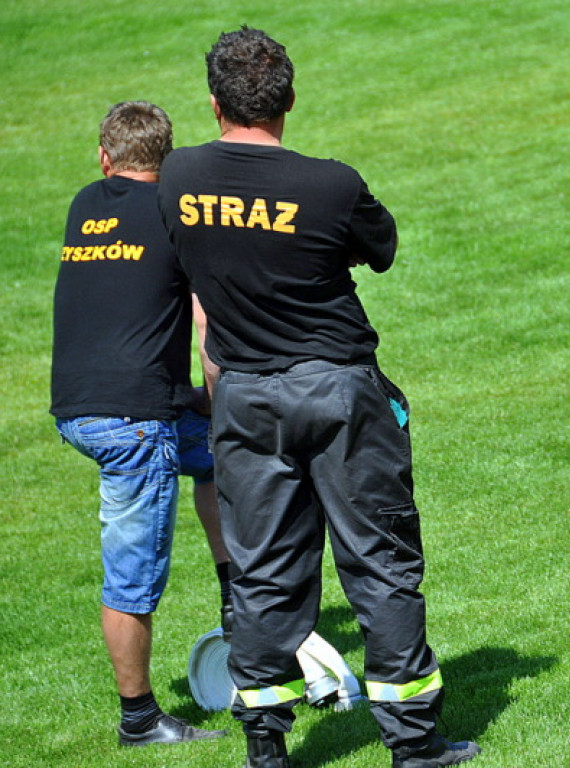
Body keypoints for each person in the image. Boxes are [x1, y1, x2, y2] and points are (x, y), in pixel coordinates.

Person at [157, 27, 481, 768]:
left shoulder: (179, 177)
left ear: (214, 103)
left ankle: (266, 750)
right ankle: (413, 743)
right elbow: (383, 248)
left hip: (243, 398)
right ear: (290, 99)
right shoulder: (330, 184)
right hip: (340, 392)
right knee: (381, 560)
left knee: (262, 571)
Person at [50, 101, 228, 748]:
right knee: (133, 572)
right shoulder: (171, 215)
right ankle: (140, 720)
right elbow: (206, 323)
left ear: (105, 158)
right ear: (168, 160)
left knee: (209, 454)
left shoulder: (83, 204)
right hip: (131, 422)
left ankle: (237, 601)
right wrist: (217, 398)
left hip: (77, 405)